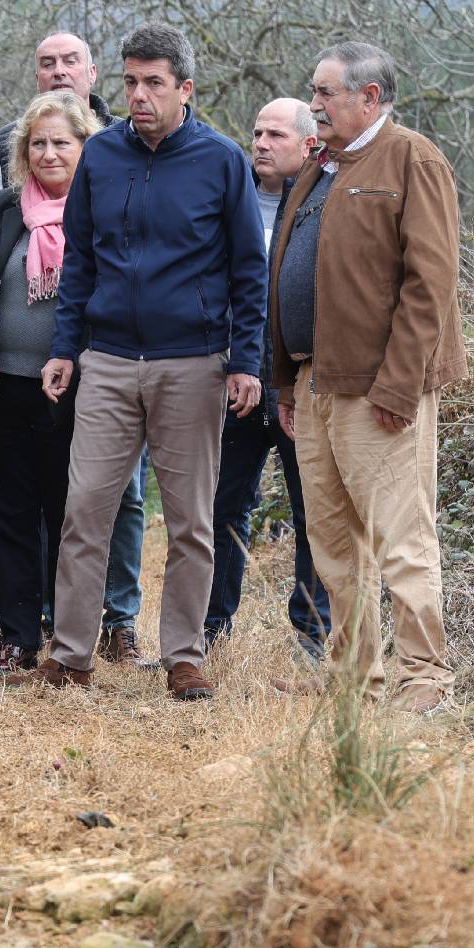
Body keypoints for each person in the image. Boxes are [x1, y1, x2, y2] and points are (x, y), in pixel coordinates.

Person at [36, 24, 268, 700]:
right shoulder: (101, 156)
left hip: (192, 362)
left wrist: (244, 360)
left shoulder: (222, 161)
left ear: (184, 89)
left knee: (191, 520)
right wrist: (64, 349)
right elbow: (79, 260)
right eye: (130, 82)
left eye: (153, 83)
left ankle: (183, 657)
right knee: (86, 510)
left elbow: (248, 270)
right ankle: (73, 655)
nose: (138, 95)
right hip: (106, 359)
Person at [270, 41, 465, 714]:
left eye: (324, 92)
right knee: (334, 549)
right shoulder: (321, 166)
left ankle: (425, 679)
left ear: (369, 97)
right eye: (315, 92)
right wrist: (286, 381)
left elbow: (430, 283)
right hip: (315, 384)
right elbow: (290, 272)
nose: (314, 104)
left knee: (402, 540)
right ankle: (358, 678)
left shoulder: (414, 158)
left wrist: (398, 385)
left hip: (381, 392)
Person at [0, 91, 102, 676]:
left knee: (68, 512)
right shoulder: (2, 210)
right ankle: (18, 636)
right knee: (10, 513)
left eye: (63, 143)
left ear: (86, 148)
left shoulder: (102, 209)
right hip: (6, 385)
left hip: (76, 388)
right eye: (39, 143)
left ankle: (69, 636)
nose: (49, 153)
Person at [204, 98, 331, 659]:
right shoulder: (228, 200)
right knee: (219, 505)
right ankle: (208, 631)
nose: (259, 143)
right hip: (229, 379)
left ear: (308, 146)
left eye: (275, 134)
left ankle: (312, 634)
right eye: (255, 131)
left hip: (297, 382)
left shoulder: (322, 205)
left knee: (312, 510)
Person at [0, 32, 114, 197]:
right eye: (48, 64)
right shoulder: (5, 143)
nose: (59, 71)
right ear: (37, 78)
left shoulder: (124, 137)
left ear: (92, 73)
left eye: (70, 62)